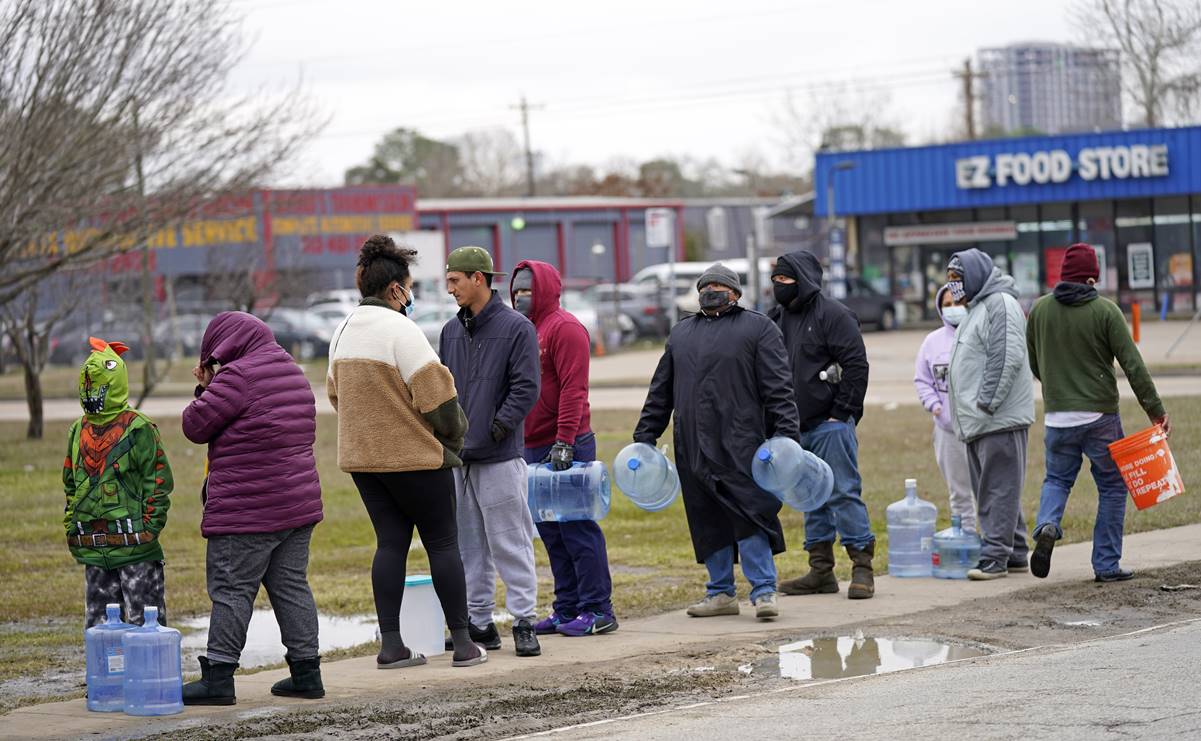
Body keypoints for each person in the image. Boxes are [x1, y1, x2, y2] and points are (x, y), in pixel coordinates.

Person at [327, 235, 484, 668]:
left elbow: (335, 396)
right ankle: (464, 642)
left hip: (363, 462)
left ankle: (391, 644)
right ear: (396, 288)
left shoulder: (341, 331)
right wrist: (453, 439)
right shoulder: (402, 329)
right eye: (409, 286)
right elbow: (439, 400)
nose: (410, 295)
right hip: (415, 460)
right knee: (442, 543)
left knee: (390, 545)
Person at [634, 264, 799, 620]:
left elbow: (779, 388)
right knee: (706, 517)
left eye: (719, 285)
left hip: (742, 441)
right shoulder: (681, 333)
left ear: (735, 293)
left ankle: (764, 591)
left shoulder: (758, 328)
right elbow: (661, 390)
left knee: (750, 512)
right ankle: (721, 592)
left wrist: (786, 434)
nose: (712, 290)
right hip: (692, 443)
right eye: (706, 285)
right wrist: (645, 434)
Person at [180, 311, 325, 705]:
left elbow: (195, 426)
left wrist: (205, 388)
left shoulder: (236, 378)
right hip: (297, 504)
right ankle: (307, 673)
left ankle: (219, 678)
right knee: (292, 586)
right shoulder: (292, 370)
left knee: (231, 589)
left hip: (249, 510)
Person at [1027, 244, 1169, 582]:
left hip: (1057, 416)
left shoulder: (1039, 310)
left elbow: (1035, 362)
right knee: (1113, 486)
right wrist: (1155, 410)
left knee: (1057, 479)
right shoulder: (1106, 311)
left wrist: (1058, 388)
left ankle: (1048, 524)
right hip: (1099, 417)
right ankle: (1106, 564)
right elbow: (1132, 365)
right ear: (1092, 277)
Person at [439, 246, 542, 657]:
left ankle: (524, 620)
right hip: (460, 458)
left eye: (455, 281)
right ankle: (479, 623)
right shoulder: (449, 331)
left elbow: (526, 388)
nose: (450, 289)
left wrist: (498, 428)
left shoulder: (517, 328)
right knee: (469, 546)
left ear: (478, 278)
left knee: (509, 541)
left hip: (499, 455)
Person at [510, 260, 617, 637]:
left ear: (545, 290)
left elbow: (574, 389)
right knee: (551, 533)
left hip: (566, 445)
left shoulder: (565, 329)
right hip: (531, 446)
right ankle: (566, 607)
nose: (522, 296)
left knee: (577, 530)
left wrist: (565, 440)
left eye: (528, 290)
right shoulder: (523, 330)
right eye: (517, 290)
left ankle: (597, 609)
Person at [769, 251, 875, 600]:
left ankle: (862, 567)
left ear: (803, 279)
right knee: (809, 496)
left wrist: (841, 413)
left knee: (842, 492)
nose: (778, 286)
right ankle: (820, 570)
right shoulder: (776, 319)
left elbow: (856, 366)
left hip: (830, 425)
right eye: (776, 279)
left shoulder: (834, 315)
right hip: (793, 429)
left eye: (785, 279)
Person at [64, 337, 173, 629]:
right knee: (100, 626)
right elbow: (70, 483)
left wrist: (148, 529)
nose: (90, 393)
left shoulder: (138, 429)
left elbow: (158, 481)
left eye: (97, 387)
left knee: (144, 623)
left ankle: (144, 675)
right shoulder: (78, 430)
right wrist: (73, 524)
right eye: (86, 386)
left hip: (136, 548)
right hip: (94, 548)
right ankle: (107, 676)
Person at [945, 248, 1035, 581]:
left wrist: (986, 403)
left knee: (997, 488)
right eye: (950, 280)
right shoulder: (976, 309)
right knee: (997, 486)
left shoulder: (1000, 305)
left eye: (958, 278)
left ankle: (995, 556)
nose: (953, 286)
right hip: (978, 421)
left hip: (996, 418)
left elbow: (1006, 355)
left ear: (976, 276)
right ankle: (1015, 550)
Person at [913, 285, 978, 532]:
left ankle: (996, 543)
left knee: (987, 489)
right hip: (948, 430)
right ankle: (968, 538)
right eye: (947, 305)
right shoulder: (932, 342)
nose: (953, 309)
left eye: (957, 303)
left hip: (980, 428)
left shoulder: (979, 335)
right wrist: (935, 405)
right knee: (959, 492)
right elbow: (922, 380)